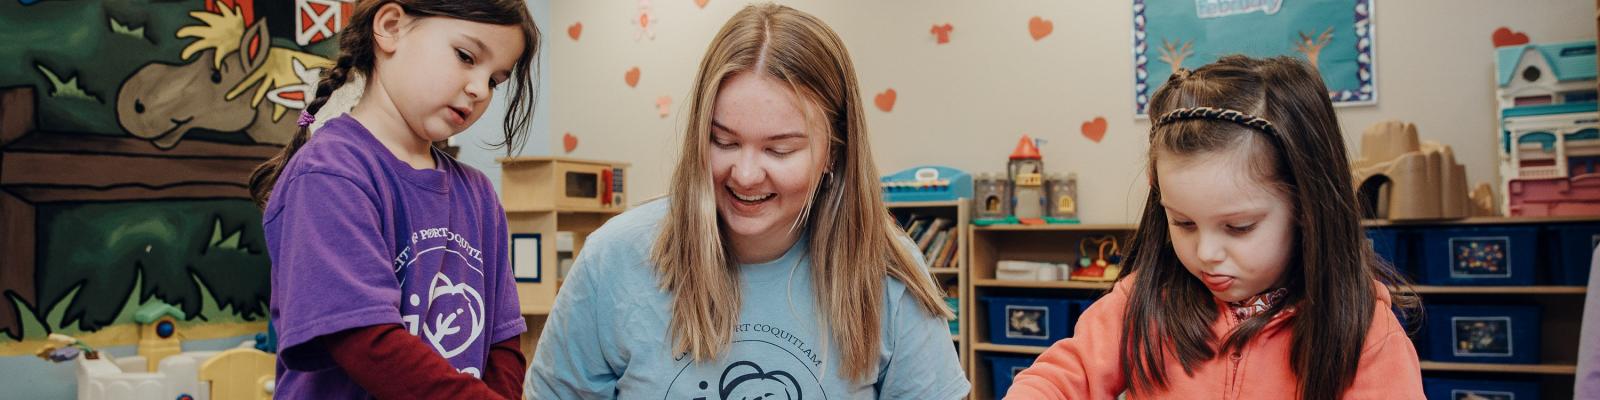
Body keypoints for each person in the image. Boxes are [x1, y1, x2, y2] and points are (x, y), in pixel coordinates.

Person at [525, 4, 968, 399]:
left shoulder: (885, 271)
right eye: (723, 141)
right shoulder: (616, 258)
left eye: (780, 150)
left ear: (834, 150)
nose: (746, 175)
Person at [1007, 56, 1424, 400]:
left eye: (1239, 227)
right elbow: (1062, 376)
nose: (1206, 252)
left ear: (1305, 204)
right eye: (1183, 222)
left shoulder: (1363, 329)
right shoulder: (1141, 301)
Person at [249, 1, 541, 398]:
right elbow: (366, 342)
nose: (478, 89)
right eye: (466, 56)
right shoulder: (330, 173)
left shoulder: (479, 194)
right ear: (390, 27)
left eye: (495, 80)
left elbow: (502, 340)